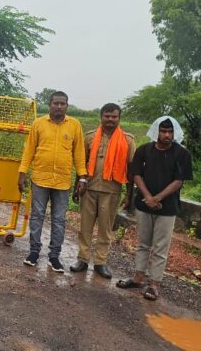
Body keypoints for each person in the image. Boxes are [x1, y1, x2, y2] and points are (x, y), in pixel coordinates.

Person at [116, 116, 193, 300]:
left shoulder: (182, 154)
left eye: (170, 132)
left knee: (160, 247)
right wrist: (148, 197)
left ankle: (154, 284)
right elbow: (136, 174)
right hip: (144, 206)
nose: (166, 135)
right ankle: (138, 277)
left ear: (174, 133)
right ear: (156, 131)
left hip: (167, 208)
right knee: (143, 244)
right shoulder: (144, 150)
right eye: (163, 131)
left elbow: (178, 181)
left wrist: (158, 198)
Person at [18, 91, 87, 272]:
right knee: (37, 215)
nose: (59, 106)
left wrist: (82, 177)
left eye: (62, 104)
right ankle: (33, 252)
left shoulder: (74, 125)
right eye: (55, 103)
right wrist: (22, 172)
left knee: (59, 220)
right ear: (49, 104)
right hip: (40, 179)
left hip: (63, 181)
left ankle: (54, 256)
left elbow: (79, 154)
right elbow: (29, 151)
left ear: (67, 106)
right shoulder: (39, 123)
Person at [71, 103, 135, 279]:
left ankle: (100, 262)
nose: (110, 119)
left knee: (105, 229)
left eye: (114, 116)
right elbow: (81, 163)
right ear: (101, 117)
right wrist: (77, 185)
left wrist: (129, 196)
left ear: (119, 118)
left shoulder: (128, 141)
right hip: (89, 189)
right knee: (85, 227)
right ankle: (82, 259)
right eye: (107, 116)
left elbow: (131, 170)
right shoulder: (90, 137)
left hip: (111, 191)